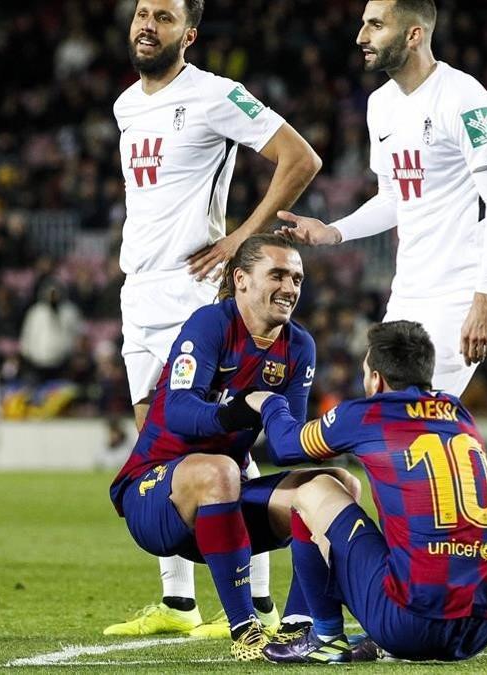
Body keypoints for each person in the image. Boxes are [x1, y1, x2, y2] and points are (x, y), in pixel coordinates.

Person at [106, 0, 323, 638]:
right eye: (143, 13)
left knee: (226, 438)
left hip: (190, 290)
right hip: (138, 291)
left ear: (189, 34)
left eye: (165, 17)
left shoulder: (215, 95)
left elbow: (299, 159)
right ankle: (178, 605)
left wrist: (242, 243)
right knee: (156, 443)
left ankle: (257, 605)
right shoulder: (124, 105)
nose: (148, 25)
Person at [110, 235, 354, 662]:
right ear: (240, 279)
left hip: (225, 504)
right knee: (221, 469)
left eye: (297, 278)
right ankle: (246, 632)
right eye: (277, 274)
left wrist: (343, 434)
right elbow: (180, 410)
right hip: (155, 495)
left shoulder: (299, 346)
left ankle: (299, 626)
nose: (290, 287)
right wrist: (246, 406)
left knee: (338, 484)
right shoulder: (210, 324)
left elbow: (288, 448)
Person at [278, 0, 487, 398]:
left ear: (413, 35)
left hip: (461, 289)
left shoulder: (465, 100)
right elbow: (393, 198)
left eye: (375, 25)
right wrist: (333, 231)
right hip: (409, 288)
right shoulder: (381, 105)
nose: (361, 37)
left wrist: (484, 302)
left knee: (409, 414)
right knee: (380, 400)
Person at [245, 321, 487, 663]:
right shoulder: (459, 414)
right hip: (484, 626)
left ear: (377, 379)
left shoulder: (368, 414)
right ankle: (382, 635)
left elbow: (285, 448)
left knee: (315, 488)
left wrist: (270, 404)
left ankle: (325, 637)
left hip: (409, 625)